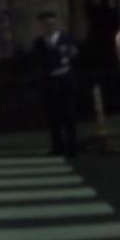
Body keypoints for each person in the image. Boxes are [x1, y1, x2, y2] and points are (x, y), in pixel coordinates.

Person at [31, 12, 79, 158]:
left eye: (51, 24)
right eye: (46, 24)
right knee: (53, 115)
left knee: (69, 113)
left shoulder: (66, 39)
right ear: (41, 26)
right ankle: (57, 146)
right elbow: (35, 60)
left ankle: (72, 147)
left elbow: (74, 55)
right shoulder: (39, 42)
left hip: (65, 78)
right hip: (49, 79)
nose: (49, 27)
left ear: (56, 24)